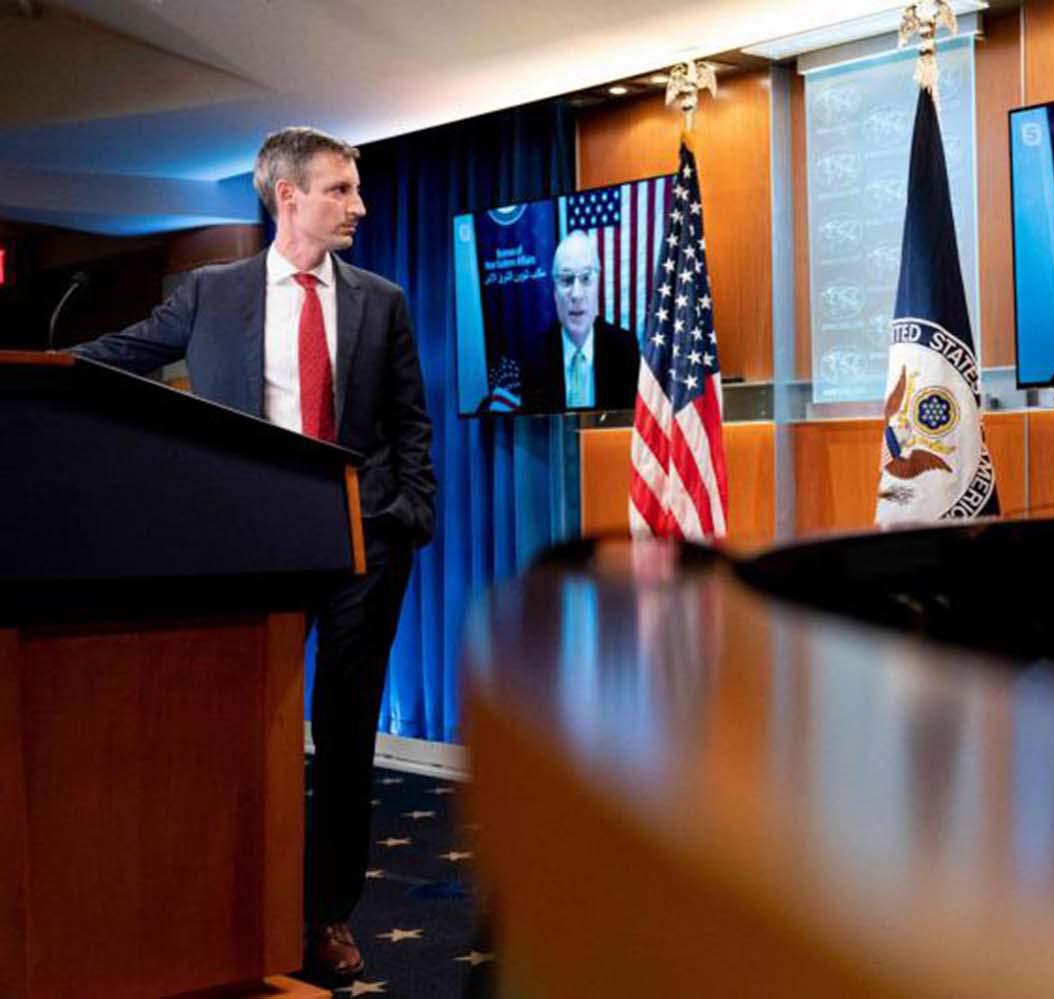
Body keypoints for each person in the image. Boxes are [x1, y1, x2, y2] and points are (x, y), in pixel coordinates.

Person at [72, 126, 436, 982]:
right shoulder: (209, 293)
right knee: (233, 733)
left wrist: (408, 513)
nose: (359, 205)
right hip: (247, 547)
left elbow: (409, 422)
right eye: (341, 190)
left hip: (360, 546)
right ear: (288, 197)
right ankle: (219, 901)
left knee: (346, 738)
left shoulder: (381, 299)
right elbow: (108, 359)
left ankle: (327, 915)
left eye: (357, 189)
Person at [520, 229, 640, 411]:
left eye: (585, 279)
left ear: (597, 287)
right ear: (554, 293)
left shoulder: (625, 350)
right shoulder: (534, 358)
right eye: (567, 280)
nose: (576, 294)